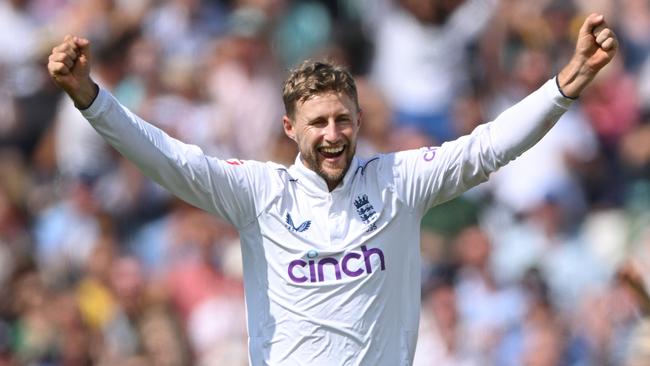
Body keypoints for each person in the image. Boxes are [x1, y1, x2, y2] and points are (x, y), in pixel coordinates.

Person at [47, 13, 617, 365]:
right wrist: (90, 97)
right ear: (290, 128)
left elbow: (488, 146)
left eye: (342, 119)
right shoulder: (260, 193)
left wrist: (569, 81)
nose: (332, 134)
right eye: (317, 123)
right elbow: (168, 158)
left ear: (359, 120)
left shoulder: (397, 182)